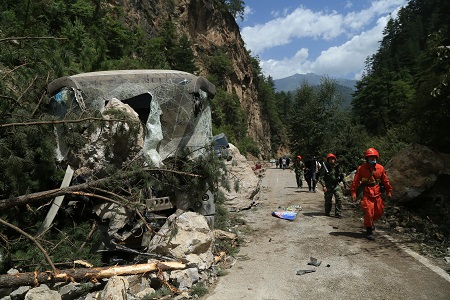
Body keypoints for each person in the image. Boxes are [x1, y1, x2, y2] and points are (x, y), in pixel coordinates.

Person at [351, 148, 393, 240]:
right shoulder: (361, 168)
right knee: (369, 212)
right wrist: (354, 192)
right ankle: (369, 230)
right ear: (366, 159)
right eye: (370, 158)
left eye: (374, 157)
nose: (372, 159)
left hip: (377, 192)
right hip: (366, 193)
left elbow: (385, 181)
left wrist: (389, 191)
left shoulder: (380, 168)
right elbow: (356, 181)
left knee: (379, 211)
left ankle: (370, 222)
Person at [318, 153, 345, 218]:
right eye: (330, 159)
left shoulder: (338, 167)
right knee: (328, 200)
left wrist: (344, 182)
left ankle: (338, 213)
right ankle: (327, 211)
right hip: (328, 186)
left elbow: (342, 175)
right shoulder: (325, 167)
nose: (331, 160)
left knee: (339, 199)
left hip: (336, 185)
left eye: (333, 159)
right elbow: (321, 177)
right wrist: (324, 186)